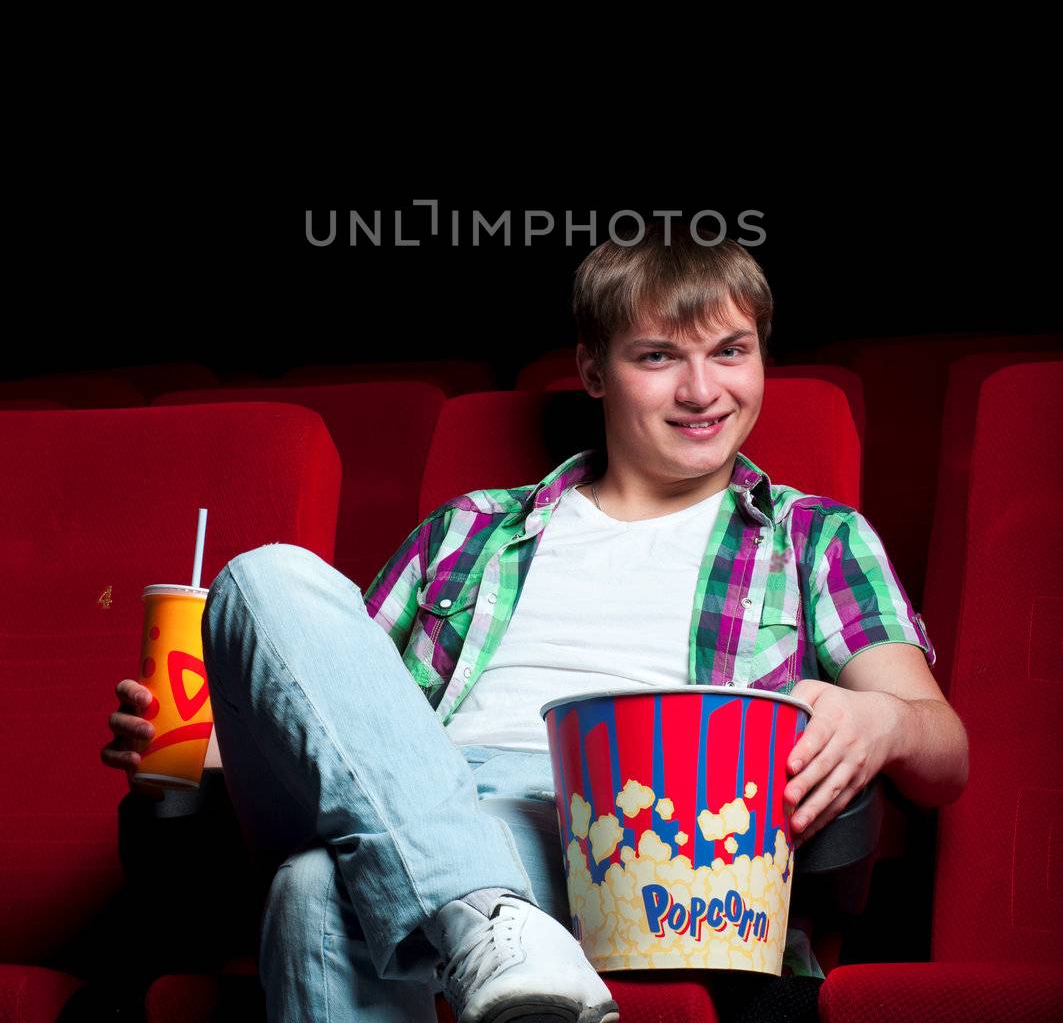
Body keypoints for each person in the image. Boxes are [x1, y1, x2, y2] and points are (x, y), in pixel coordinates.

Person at [101, 225, 970, 1023]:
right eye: (658, 356)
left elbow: (943, 753)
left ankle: (476, 912)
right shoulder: (468, 527)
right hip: (422, 787)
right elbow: (350, 731)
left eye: (730, 352)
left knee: (317, 889)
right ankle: (485, 914)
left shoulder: (813, 536)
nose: (702, 390)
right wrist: (186, 764)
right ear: (593, 370)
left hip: (629, 833)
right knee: (263, 578)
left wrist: (879, 719)